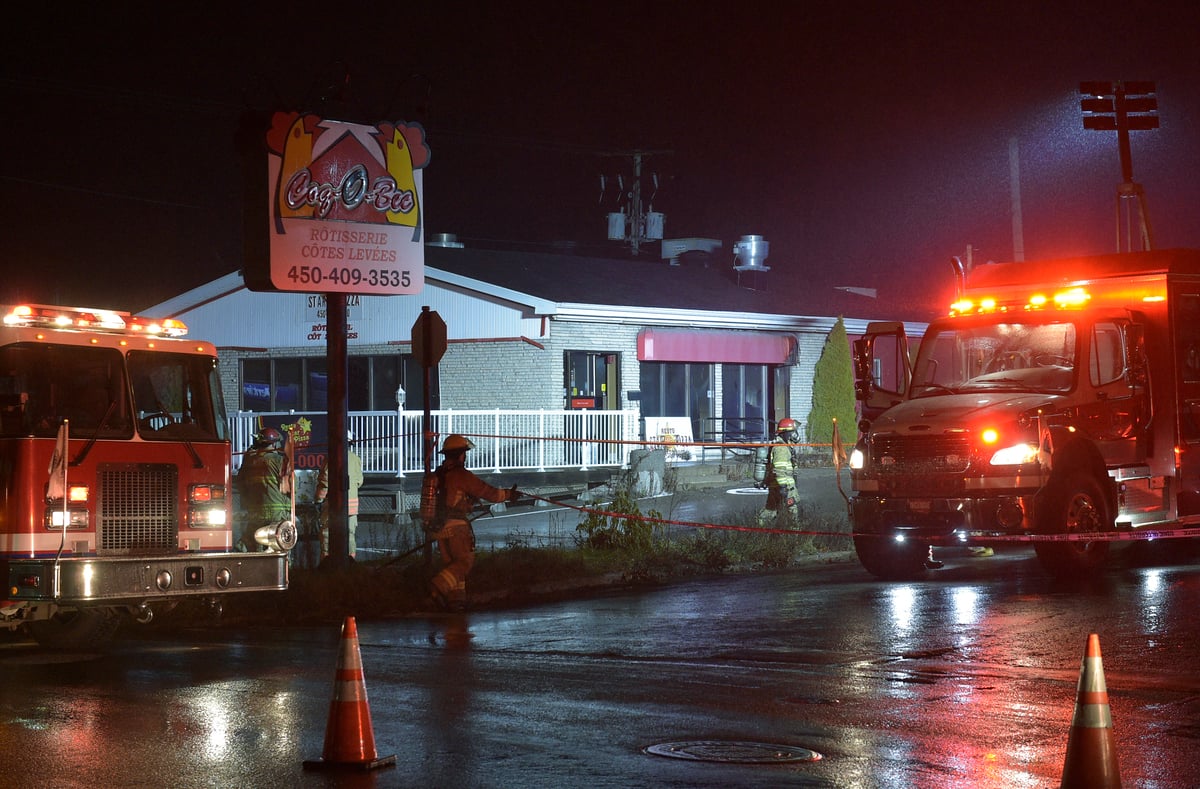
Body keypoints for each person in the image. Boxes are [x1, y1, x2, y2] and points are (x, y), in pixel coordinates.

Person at [425, 434, 520, 611]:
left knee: (453, 567)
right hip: (456, 528)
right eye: (465, 453)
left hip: (438, 529)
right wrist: (509, 494)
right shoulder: (461, 475)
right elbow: (489, 492)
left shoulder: (439, 474)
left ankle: (456, 602)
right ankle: (437, 586)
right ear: (461, 454)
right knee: (464, 563)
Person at [234, 427, 289, 551]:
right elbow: (291, 488)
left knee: (255, 542)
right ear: (274, 443)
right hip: (277, 512)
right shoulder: (280, 461)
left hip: (255, 511)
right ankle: (281, 568)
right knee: (278, 544)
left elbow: (240, 484)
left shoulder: (249, 461)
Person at [315, 431, 365, 560]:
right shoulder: (355, 458)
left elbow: (324, 481)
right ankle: (351, 564)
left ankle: (326, 565)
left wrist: (318, 500)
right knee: (349, 534)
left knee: (327, 534)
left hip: (333, 506)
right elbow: (359, 481)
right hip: (351, 507)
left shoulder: (330, 459)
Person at [758, 417, 801, 526]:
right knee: (792, 513)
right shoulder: (781, 448)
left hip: (779, 487)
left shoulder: (785, 447)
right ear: (785, 433)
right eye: (792, 432)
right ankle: (795, 535)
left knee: (771, 509)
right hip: (783, 487)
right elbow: (779, 469)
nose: (795, 435)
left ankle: (760, 530)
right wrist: (783, 487)